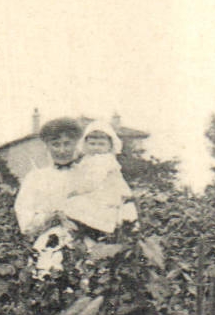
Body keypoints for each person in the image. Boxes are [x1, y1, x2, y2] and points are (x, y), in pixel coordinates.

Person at [14, 117, 85, 273]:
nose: (62, 150)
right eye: (56, 144)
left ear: (76, 144)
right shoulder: (35, 178)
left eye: (67, 144)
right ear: (47, 146)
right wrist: (51, 218)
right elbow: (26, 222)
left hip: (83, 243)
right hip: (48, 245)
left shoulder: (88, 175)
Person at [65, 120, 135, 237]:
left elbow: (93, 181)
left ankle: (95, 231)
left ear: (110, 146)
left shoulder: (104, 160)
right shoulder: (88, 159)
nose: (96, 148)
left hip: (105, 194)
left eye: (101, 144)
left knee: (76, 204)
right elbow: (81, 174)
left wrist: (76, 192)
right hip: (94, 193)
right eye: (92, 144)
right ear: (85, 144)